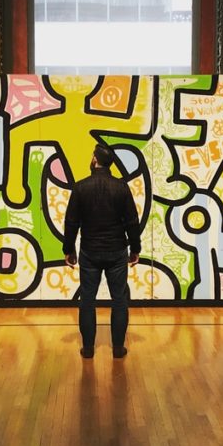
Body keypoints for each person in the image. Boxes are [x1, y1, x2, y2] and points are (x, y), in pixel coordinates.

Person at [63, 144, 141, 359]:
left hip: (90, 251)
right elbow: (132, 222)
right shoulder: (121, 187)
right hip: (116, 251)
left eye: (91, 155)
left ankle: (88, 349)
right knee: (119, 300)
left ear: (95, 160)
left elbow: (71, 223)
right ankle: (117, 349)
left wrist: (68, 250)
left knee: (87, 299)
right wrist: (135, 248)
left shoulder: (80, 188)